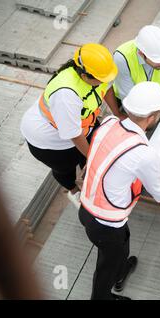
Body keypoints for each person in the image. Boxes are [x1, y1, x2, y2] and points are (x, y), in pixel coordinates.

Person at [78, 81, 160, 300]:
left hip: (87, 207)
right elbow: (159, 194)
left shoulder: (109, 122)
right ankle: (101, 297)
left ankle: (120, 271)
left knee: (121, 243)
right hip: (105, 222)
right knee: (105, 266)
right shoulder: (143, 152)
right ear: (153, 117)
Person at [20, 43, 122, 207]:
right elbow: (74, 134)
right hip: (50, 143)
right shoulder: (65, 94)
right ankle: (74, 191)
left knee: (89, 158)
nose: (106, 81)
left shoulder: (98, 73)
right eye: (102, 79)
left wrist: (117, 112)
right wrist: (92, 157)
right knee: (65, 169)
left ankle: (92, 183)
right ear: (84, 76)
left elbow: (106, 87)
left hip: (83, 126)